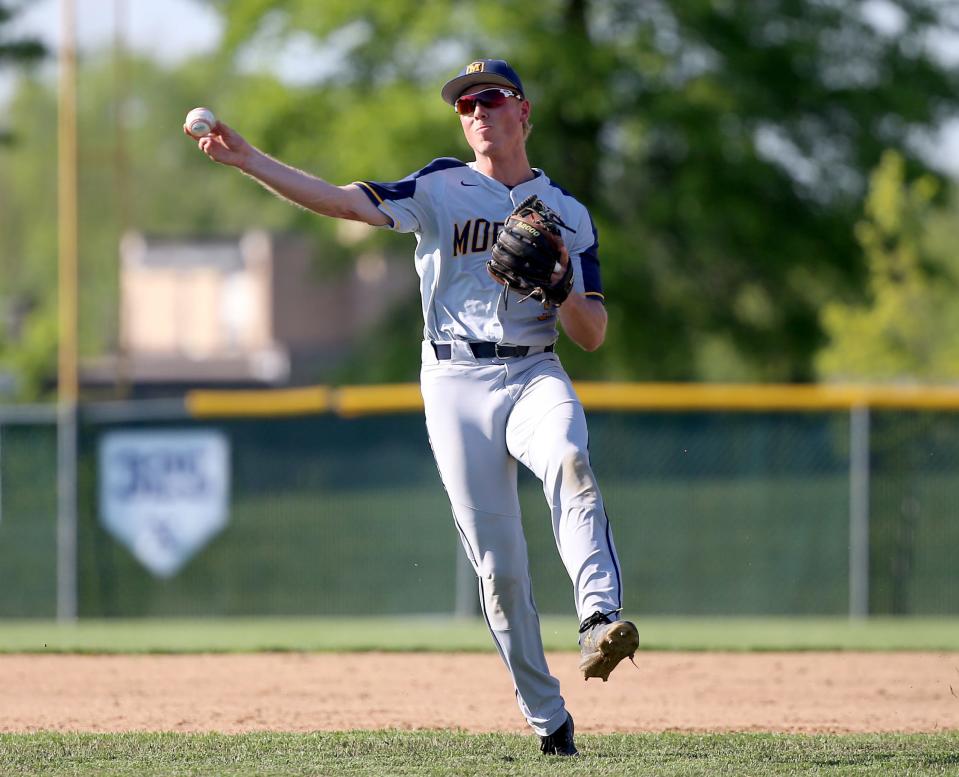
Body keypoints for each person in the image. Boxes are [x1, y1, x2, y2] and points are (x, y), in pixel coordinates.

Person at [186, 58, 638, 757]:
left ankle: (598, 615)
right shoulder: (440, 187)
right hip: (453, 384)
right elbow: (341, 202)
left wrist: (559, 289)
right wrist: (249, 161)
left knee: (571, 459)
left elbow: (592, 333)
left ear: (524, 112)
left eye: (490, 99)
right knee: (499, 569)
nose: (476, 112)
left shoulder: (568, 214)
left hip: (532, 372)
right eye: (464, 105)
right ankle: (548, 718)